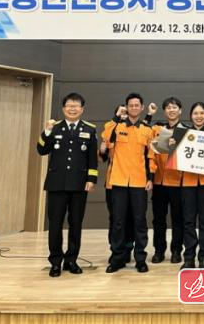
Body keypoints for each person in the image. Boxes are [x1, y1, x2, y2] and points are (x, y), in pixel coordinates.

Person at [36, 92, 97, 277]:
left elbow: (92, 158)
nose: (72, 109)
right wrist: (46, 131)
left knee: (75, 223)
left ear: (82, 109)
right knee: (55, 224)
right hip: (56, 184)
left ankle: (71, 260)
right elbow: (41, 150)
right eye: (69, 106)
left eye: (76, 106)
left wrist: (91, 179)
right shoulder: (54, 128)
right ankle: (55, 262)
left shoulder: (90, 129)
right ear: (63, 109)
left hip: (79, 184)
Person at [104, 92, 156, 274]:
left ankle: (140, 258)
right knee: (118, 222)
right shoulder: (116, 126)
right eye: (131, 105)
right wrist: (116, 117)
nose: (134, 108)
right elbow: (106, 140)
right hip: (118, 181)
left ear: (142, 108)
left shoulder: (147, 130)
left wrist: (150, 178)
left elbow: (151, 156)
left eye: (137, 105)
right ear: (126, 107)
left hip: (139, 182)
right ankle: (117, 258)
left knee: (140, 221)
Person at [179, 102, 204, 270]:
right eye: (195, 113)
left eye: (202, 113)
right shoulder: (183, 134)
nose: (199, 116)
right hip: (188, 182)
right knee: (188, 221)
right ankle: (189, 258)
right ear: (191, 116)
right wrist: (173, 145)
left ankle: (203, 257)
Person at [151, 97, 186, 264]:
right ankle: (159, 251)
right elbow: (150, 153)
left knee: (178, 219)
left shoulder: (187, 132)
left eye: (174, 107)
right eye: (168, 108)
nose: (171, 110)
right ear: (164, 111)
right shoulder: (157, 130)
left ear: (180, 110)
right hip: (159, 182)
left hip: (178, 182)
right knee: (158, 219)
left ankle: (176, 250)